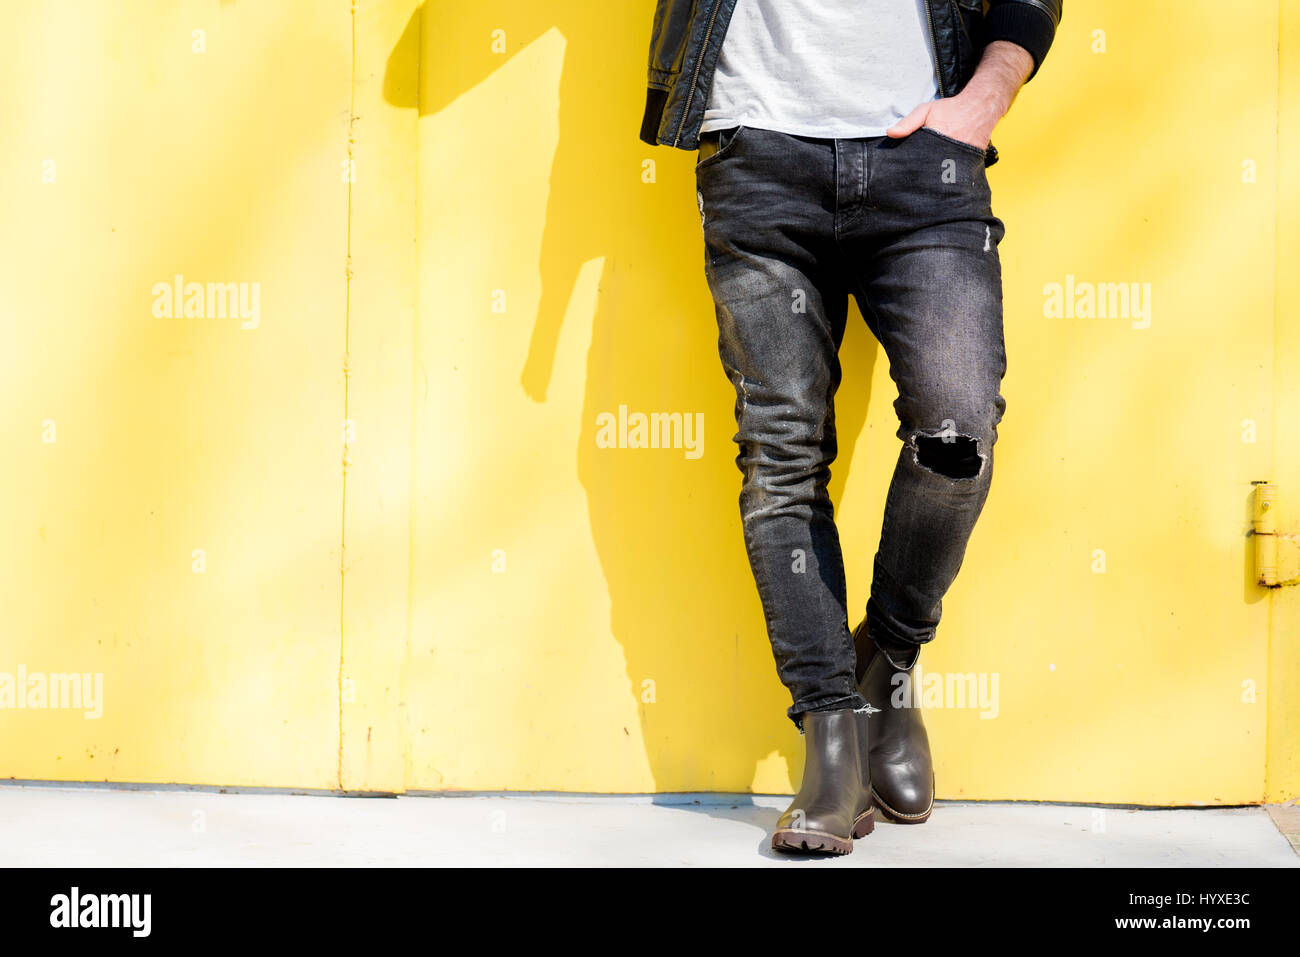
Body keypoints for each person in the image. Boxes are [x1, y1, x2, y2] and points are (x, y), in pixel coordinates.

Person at [638, 0, 1062, 855]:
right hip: (756, 150)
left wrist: (988, 94)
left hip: (926, 159)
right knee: (782, 451)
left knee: (958, 427)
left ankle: (888, 662)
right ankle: (832, 735)